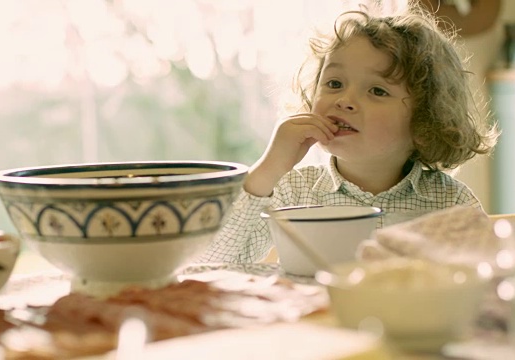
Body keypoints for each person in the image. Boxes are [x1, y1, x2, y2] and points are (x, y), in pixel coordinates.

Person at [199, 3, 499, 264]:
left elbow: (489, 278)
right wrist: (268, 169)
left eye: (377, 90)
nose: (344, 100)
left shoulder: (450, 201)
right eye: (334, 83)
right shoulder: (293, 191)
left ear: (425, 123)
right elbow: (211, 262)